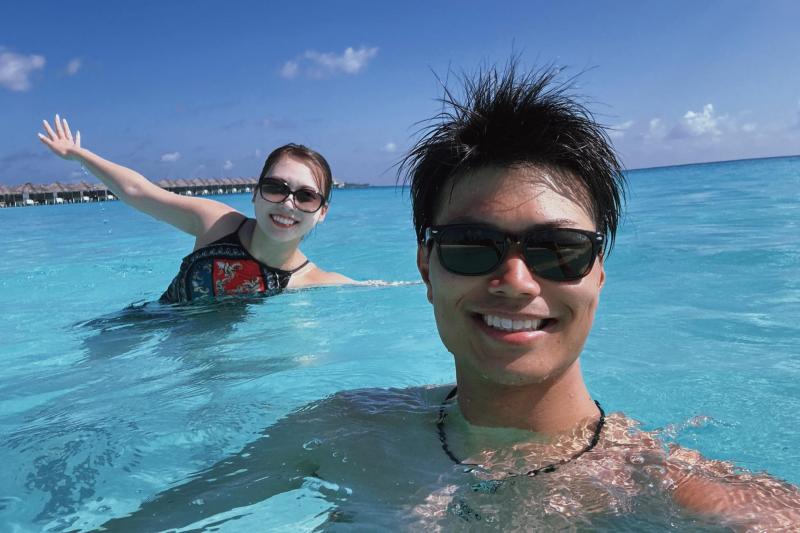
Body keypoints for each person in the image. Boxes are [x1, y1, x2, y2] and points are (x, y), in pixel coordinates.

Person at [94, 63, 800, 530]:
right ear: (428, 266)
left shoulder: (668, 489)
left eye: (558, 249)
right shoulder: (340, 430)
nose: (516, 280)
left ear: (598, 272)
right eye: (472, 245)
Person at [38, 116, 353, 303]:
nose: (288, 203)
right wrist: (79, 155)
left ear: (322, 211)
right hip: (147, 325)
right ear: (255, 194)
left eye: (306, 196)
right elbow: (139, 192)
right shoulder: (218, 224)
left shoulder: (315, 282)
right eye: (275, 188)